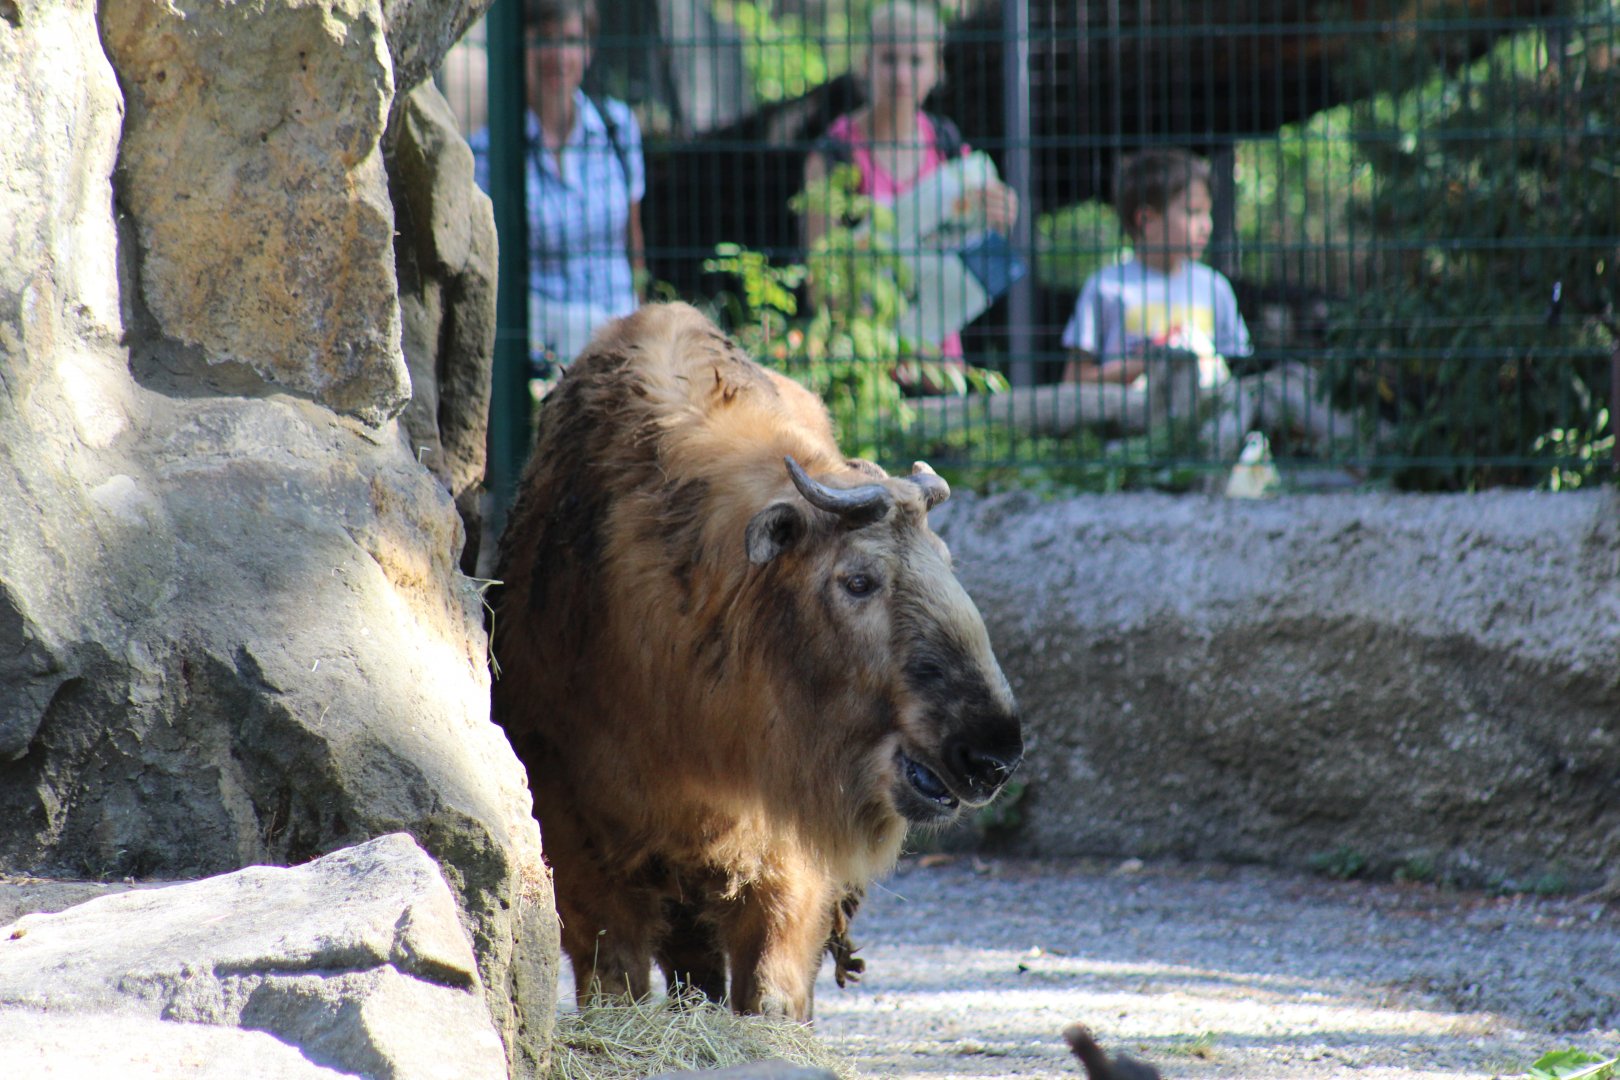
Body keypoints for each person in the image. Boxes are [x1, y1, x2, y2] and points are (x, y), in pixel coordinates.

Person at [799, 0, 1019, 374]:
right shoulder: (832, 158)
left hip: (941, 366)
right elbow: (820, 286)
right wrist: (887, 341)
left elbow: (980, 256)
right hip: (865, 368)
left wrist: (1002, 216)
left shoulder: (947, 143)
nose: (901, 75)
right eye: (889, 59)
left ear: (936, 70)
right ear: (865, 65)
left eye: (915, 61)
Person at [470, 0, 644, 377]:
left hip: (623, 349)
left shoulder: (619, 128)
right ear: (520, 48)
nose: (559, 56)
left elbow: (634, 242)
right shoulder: (486, 152)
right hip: (539, 358)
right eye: (544, 40)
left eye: (570, 40)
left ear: (588, 48)